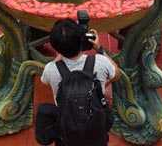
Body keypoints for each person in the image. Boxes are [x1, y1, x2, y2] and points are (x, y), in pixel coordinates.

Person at [37, 18, 120, 146]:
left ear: (55, 47)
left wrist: (61, 52)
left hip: (66, 130)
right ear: (82, 41)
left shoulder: (51, 69)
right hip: (96, 129)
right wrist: (99, 49)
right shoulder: (100, 62)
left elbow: (44, 81)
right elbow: (116, 74)